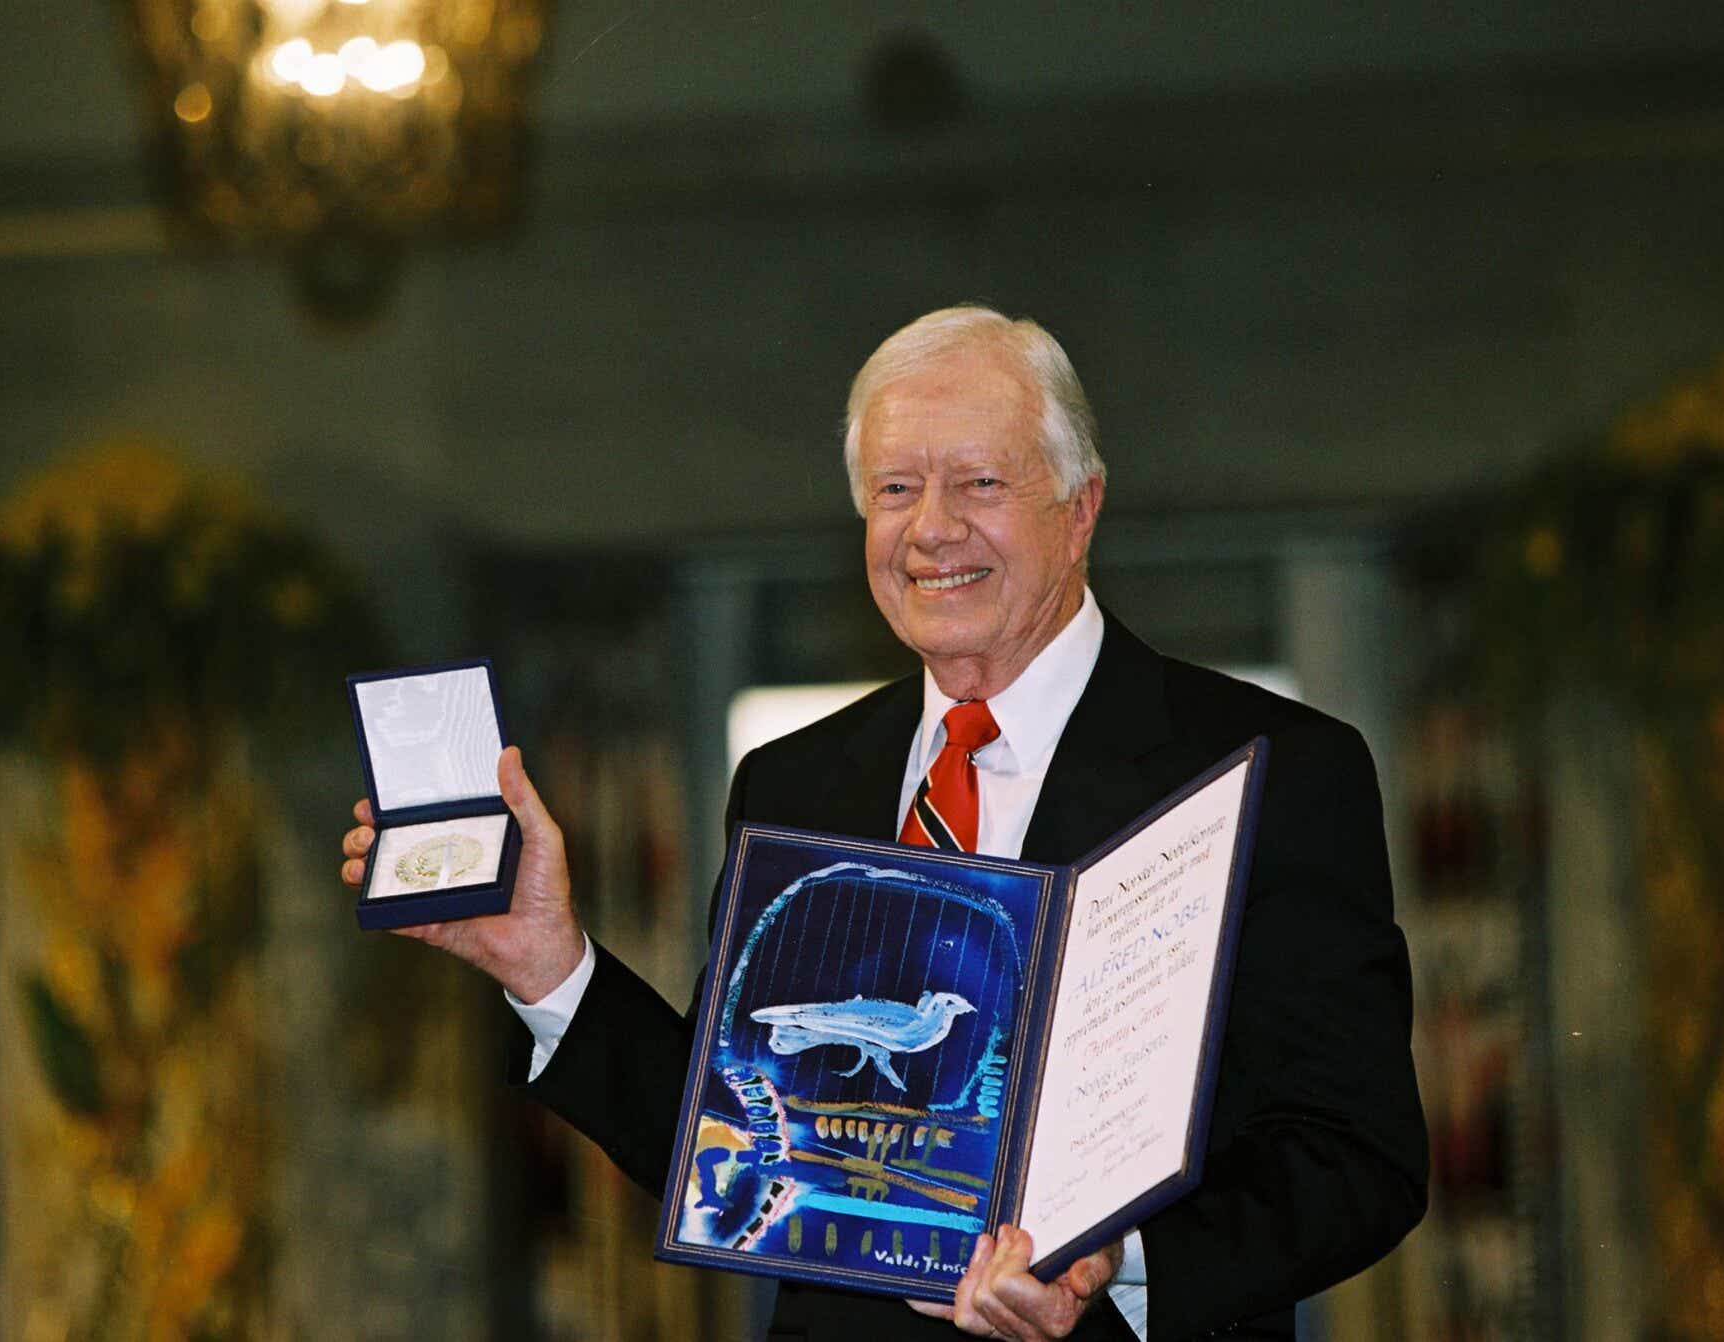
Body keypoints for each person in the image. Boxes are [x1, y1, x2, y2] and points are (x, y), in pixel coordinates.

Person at [341, 307, 1428, 1341]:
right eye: (895, 487)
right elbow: (748, 1135)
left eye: (980, 482)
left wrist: (1119, 1263)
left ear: (1081, 506)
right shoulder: (795, 780)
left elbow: (1354, 1156)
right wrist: (550, 966)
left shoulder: (1270, 768)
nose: (932, 528)